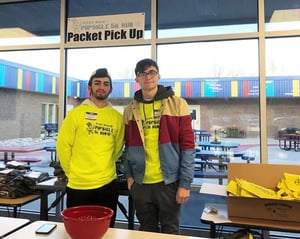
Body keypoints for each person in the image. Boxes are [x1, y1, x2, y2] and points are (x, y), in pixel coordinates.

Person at [123, 58, 195, 234]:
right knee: (147, 231)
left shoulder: (178, 104)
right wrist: (129, 176)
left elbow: (188, 146)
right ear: (137, 79)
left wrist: (185, 183)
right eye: (142, 74)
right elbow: (127, 146)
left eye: (151, 72)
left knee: (170, 230)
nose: (147, 77)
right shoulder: (130, 110)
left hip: (168, 182)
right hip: (141, 184)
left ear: (158, 76)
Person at [56, 68, 124, 227]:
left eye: (106, 84)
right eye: (97, 83)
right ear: (90, 87)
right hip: (78, 185)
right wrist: (71, 172)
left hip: (107, 185)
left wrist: (103, 165)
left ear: (110, 89)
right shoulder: (75, 114)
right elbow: (63, 145)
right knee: (79, 231)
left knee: (106, 231)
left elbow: (118, 148)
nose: (102, 87)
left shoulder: (117, 118)